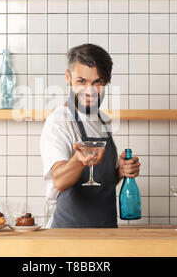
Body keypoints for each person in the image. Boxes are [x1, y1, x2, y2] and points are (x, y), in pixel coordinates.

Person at [40, 43, 141, 228]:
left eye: (97, 82)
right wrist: (79, 161)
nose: (90, 90)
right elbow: (59, 182)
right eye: (82, 82)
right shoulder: (59, 122)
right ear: (68, 78)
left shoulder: (103, 120)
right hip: (69, 235)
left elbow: (101, 183)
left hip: (106, 231)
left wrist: (120, 171)